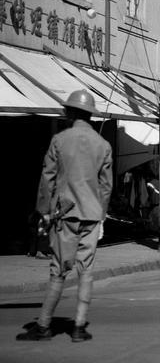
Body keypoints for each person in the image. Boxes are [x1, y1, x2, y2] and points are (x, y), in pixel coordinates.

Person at [18, 90, 112, 343]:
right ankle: (79, 327)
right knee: (86, 271)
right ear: (90, 114)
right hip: (92, 216)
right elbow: (106, 186)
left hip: (65, 215)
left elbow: (47, 180)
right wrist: (101, 215)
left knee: (58, 271)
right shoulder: (103, 145)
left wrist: (44, 212)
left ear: (71, 113)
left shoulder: (59, 140)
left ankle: (44, 325)